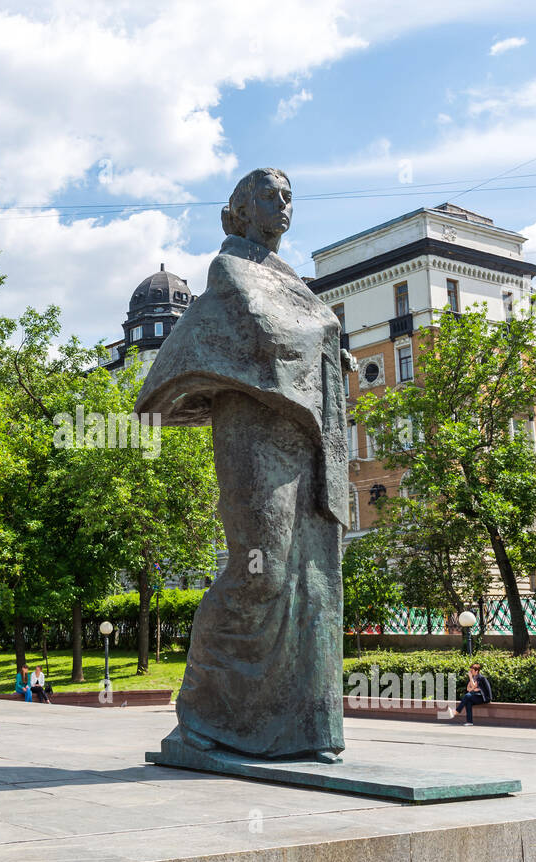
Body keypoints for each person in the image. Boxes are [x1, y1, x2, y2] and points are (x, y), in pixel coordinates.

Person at [136, 168, 348, 763]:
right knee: (261, 569)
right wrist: (326, 336)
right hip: (252, 430)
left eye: (289, 199)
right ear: (241, 209)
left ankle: (302, 726)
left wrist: (330, 344)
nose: (283, 207)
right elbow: (266, 329)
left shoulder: (289, 278)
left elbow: (304, 329)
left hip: (301, 434)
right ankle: (203, 715)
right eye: (270, 197)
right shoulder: (231, 270)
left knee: (310, 572)